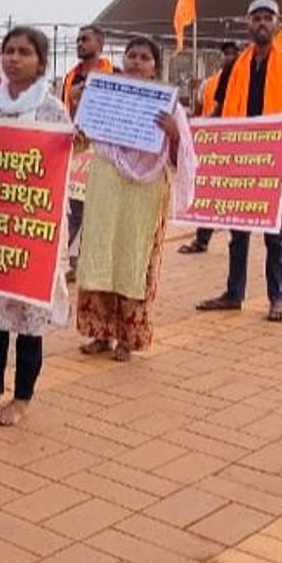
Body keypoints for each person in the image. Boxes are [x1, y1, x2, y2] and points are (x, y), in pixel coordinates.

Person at [0, 26, 70, 426]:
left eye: (24, 52)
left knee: (27, 319)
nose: (14, 58)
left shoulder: (51, 109)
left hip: (29, 231)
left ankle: (22, 397)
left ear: (40, 62)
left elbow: (60, 161)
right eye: (8, 51)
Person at [76, 37, 196, 361]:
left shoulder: (170, 105)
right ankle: (100, 333)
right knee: (100, 252)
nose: (137, 63)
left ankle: (128, 338)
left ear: (155, 65)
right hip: (106, 184)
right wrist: (81, 108)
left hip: (145, 190)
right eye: (132, 56)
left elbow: (183, 155)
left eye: (145, 58)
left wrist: (173, 133)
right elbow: (82, 134)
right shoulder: (104, 94)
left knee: (134, 257)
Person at [196, 0, 282, 322]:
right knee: (238, 232)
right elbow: (218, 110)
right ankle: (234, 293)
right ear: (247, 24)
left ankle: (277, 297)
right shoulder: (234, 66)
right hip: (238, 160)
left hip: (272, 164)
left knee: (275, 233)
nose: (262, 23)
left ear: (277, 24)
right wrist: (201, 133)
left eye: (267, 17)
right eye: (256, 17)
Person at [62, 25, 115, 282]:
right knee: (76, 211)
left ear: (100, 44)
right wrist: (72, 100)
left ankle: (99, 261)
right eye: (78, 40)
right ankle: (76, 263)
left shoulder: (115, 75)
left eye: (86, 39)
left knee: (102, 211)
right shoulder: (71, 77)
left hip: (106, 155)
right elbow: (63, 116)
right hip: (78, 156)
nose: (80, 44)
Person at [179, 40, 240, 255]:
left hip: (237, 148)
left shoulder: (245, 83)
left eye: (234, 54)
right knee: (208, 192)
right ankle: (202, 239)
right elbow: (198, 112)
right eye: (226, 54)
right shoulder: (208, 84)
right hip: (212, 148)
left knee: (235, 195)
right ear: (220, 57)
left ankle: (238, 242)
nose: (230, 57)